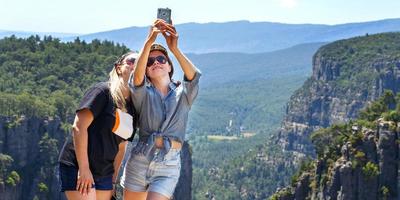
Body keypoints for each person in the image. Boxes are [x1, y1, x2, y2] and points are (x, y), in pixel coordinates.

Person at [121, 19, 201, 200]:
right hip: (140, 160)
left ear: (169, 66)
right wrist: (149, 40)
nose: (155, 62)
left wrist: (174, 49)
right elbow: (136, 79)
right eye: (150, 61)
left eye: (161, 59)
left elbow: (194, 77)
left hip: (168, 164)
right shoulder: (142, 95)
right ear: (147, 70)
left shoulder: (183, 95)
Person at [58, 52, 138, 200]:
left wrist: (113, 179)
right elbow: (78, 127)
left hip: (105, 173)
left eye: (141, 63)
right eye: (132, 61)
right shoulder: (102, 92)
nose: (136, 65)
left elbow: (121, 146)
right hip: (78, 165)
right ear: (119, 68)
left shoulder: (134, 108)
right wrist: (84, 169)